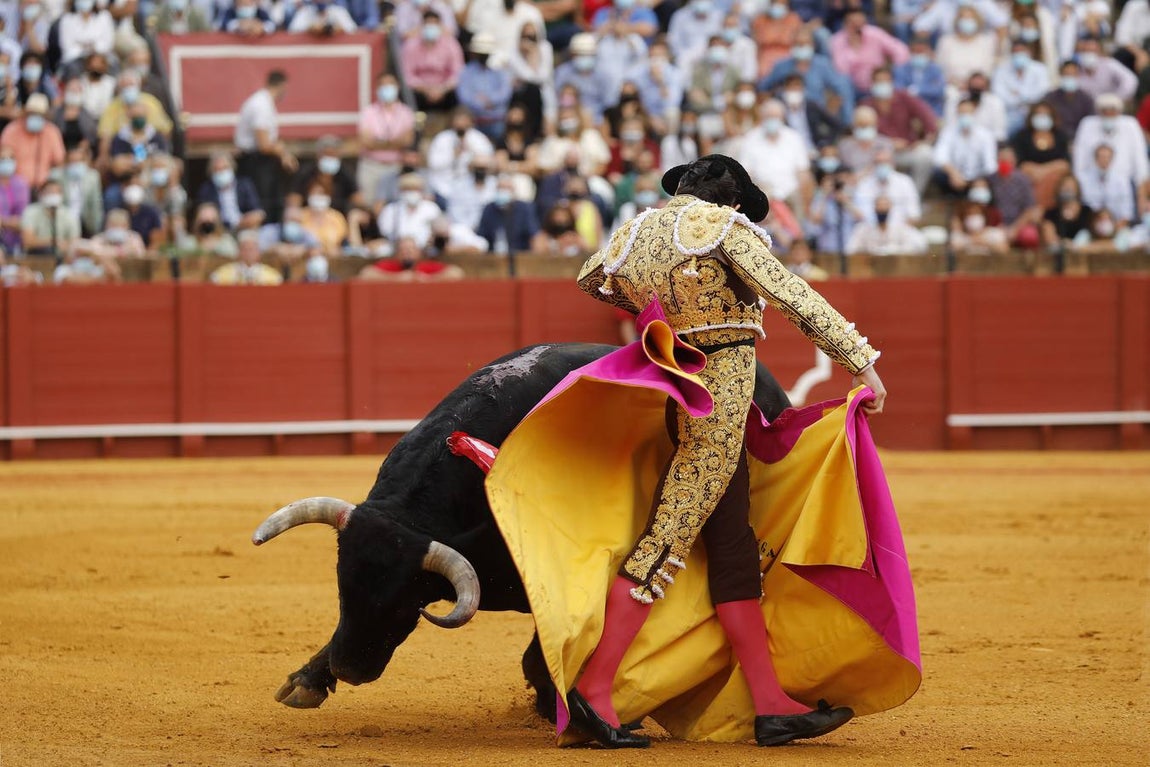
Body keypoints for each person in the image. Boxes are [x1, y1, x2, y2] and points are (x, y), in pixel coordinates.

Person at [501, 153, 907, 750]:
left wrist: (661, 308)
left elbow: (593, 276)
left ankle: (769, 705)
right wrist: (861, 363)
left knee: (731, 545)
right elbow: (788, 291)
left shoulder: (639, 231)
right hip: (718, 403)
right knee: (668, 537)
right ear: (734, 201)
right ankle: (596, 691)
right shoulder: (723, 228)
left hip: (681, 389)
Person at [235, 70, 296, 224]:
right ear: (282, 85)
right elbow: (263, 144)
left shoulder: (263, 102)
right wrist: (282, 153)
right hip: (256, 163)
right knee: (263, 205)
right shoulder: (261, 105)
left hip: (260, 161)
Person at [357, 72, 415, 206]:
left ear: (397, 87)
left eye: (390, 84)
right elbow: (366, 142)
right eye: (383, 85)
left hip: (395, 166)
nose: (387, 88)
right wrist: (394, 142)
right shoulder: (368, 112)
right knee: (369, 204)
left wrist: (379, 142)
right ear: (377, 89)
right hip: (371, 166)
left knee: (395, 205)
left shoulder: (406, 112)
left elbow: (407, 141)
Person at [475, 176, 539, 255]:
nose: (503, 192)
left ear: (513, 191)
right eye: (500, 188)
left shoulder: (524, 209)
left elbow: (533, 236)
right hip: (493, 256)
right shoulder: (489, 209)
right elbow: (481, 237)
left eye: (506, 188)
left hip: (520, 255)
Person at [846, 195, 928, 255]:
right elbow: (850, 249)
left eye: (885, 206)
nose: (882, 209)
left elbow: (916, 246)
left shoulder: (901, 227)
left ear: (890, 208)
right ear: (874, 208)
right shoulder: (863, 228)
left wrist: (892, 250)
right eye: (879, 206)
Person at [210, 230, 284, 285]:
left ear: (258, 252)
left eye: (252, 249)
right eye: (245, 249)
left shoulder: (272, 276)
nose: (249, 253)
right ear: (239, 252)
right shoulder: (223, 274)